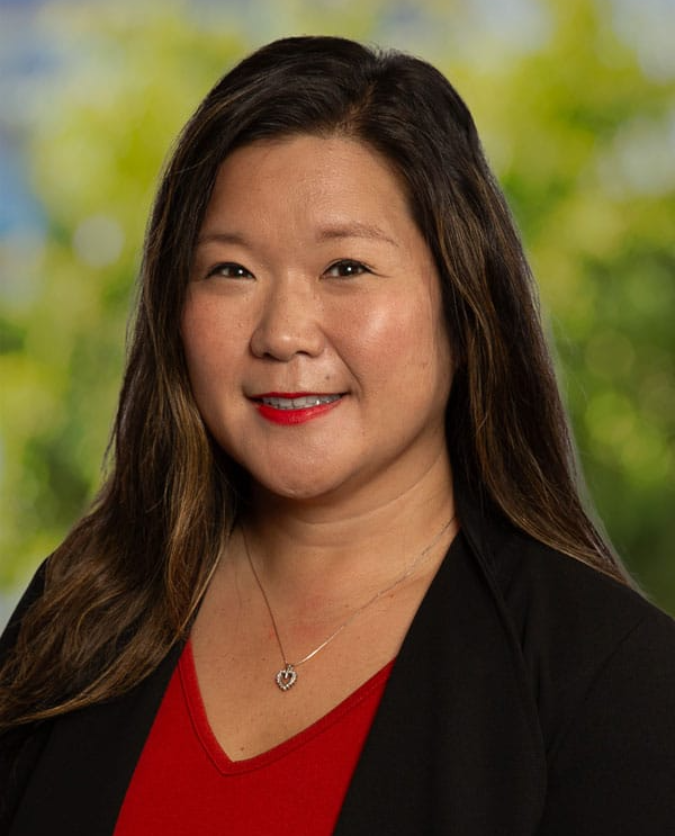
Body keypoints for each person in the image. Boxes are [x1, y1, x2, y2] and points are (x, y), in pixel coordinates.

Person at [1, 35, 674, 836]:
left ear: (463, 298)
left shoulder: (613, 678)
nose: (283, 334)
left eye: (345, 268)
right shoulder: (79, 611)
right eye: (231, 271)